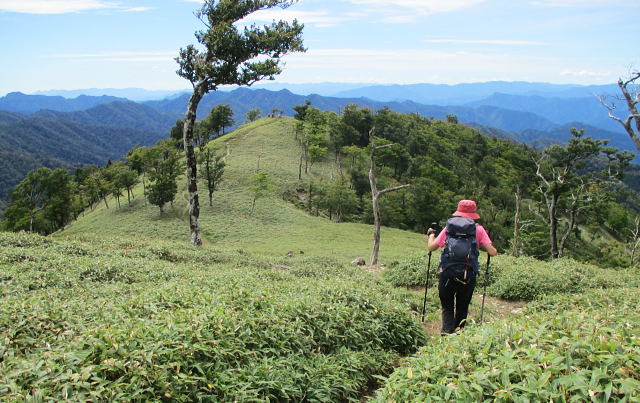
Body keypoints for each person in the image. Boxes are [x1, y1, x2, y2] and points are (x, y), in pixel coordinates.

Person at [427, 199, 497, 334]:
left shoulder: (449, 228)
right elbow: (492, 252)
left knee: (447, 307)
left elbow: (432, 247)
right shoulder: (479, 229)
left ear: (458, 212)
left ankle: (446, 334)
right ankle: (459, 337)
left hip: (447, 273)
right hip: (468, 275)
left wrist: (431, 235)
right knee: (462, 307)